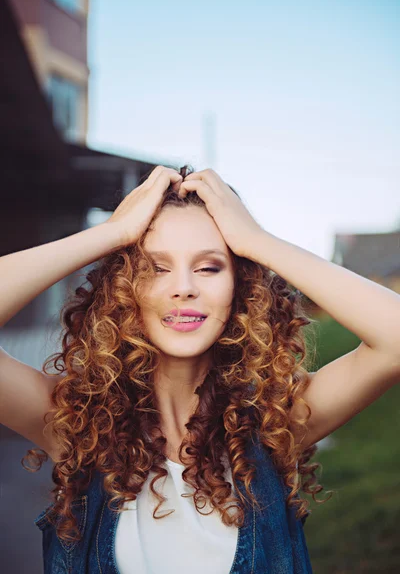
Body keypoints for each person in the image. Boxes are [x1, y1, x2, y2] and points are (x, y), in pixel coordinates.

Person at [1, 165, 399, 574]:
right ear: (123, 288)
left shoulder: (278, 422)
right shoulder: (76, 424)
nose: (184, 287)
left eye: (209, 267)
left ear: (240, 287)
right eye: (155, 267)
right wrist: (112, 235)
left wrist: (257, 241)